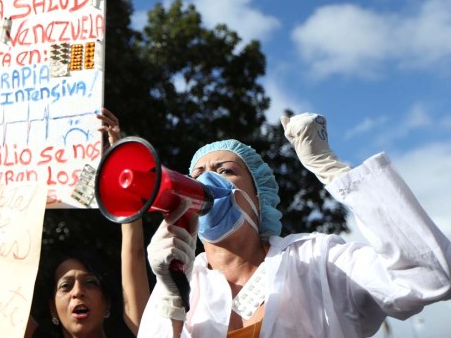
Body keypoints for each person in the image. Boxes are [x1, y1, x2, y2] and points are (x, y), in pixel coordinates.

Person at [138, 112, 451, 337]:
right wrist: (171, 295)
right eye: (195, 175)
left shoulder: (319, 261)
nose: (206, 182)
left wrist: (333, 170)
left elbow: (431, 276)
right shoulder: (181, 285)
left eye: (226, 171)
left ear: (259, 198)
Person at [0, 108, 149, 338]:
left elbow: (134, 254)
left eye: (90, 283)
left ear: (108, 304)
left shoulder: (142, 330)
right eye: (65, 285)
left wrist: (118, 163)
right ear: (52, 307)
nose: (78, 293)